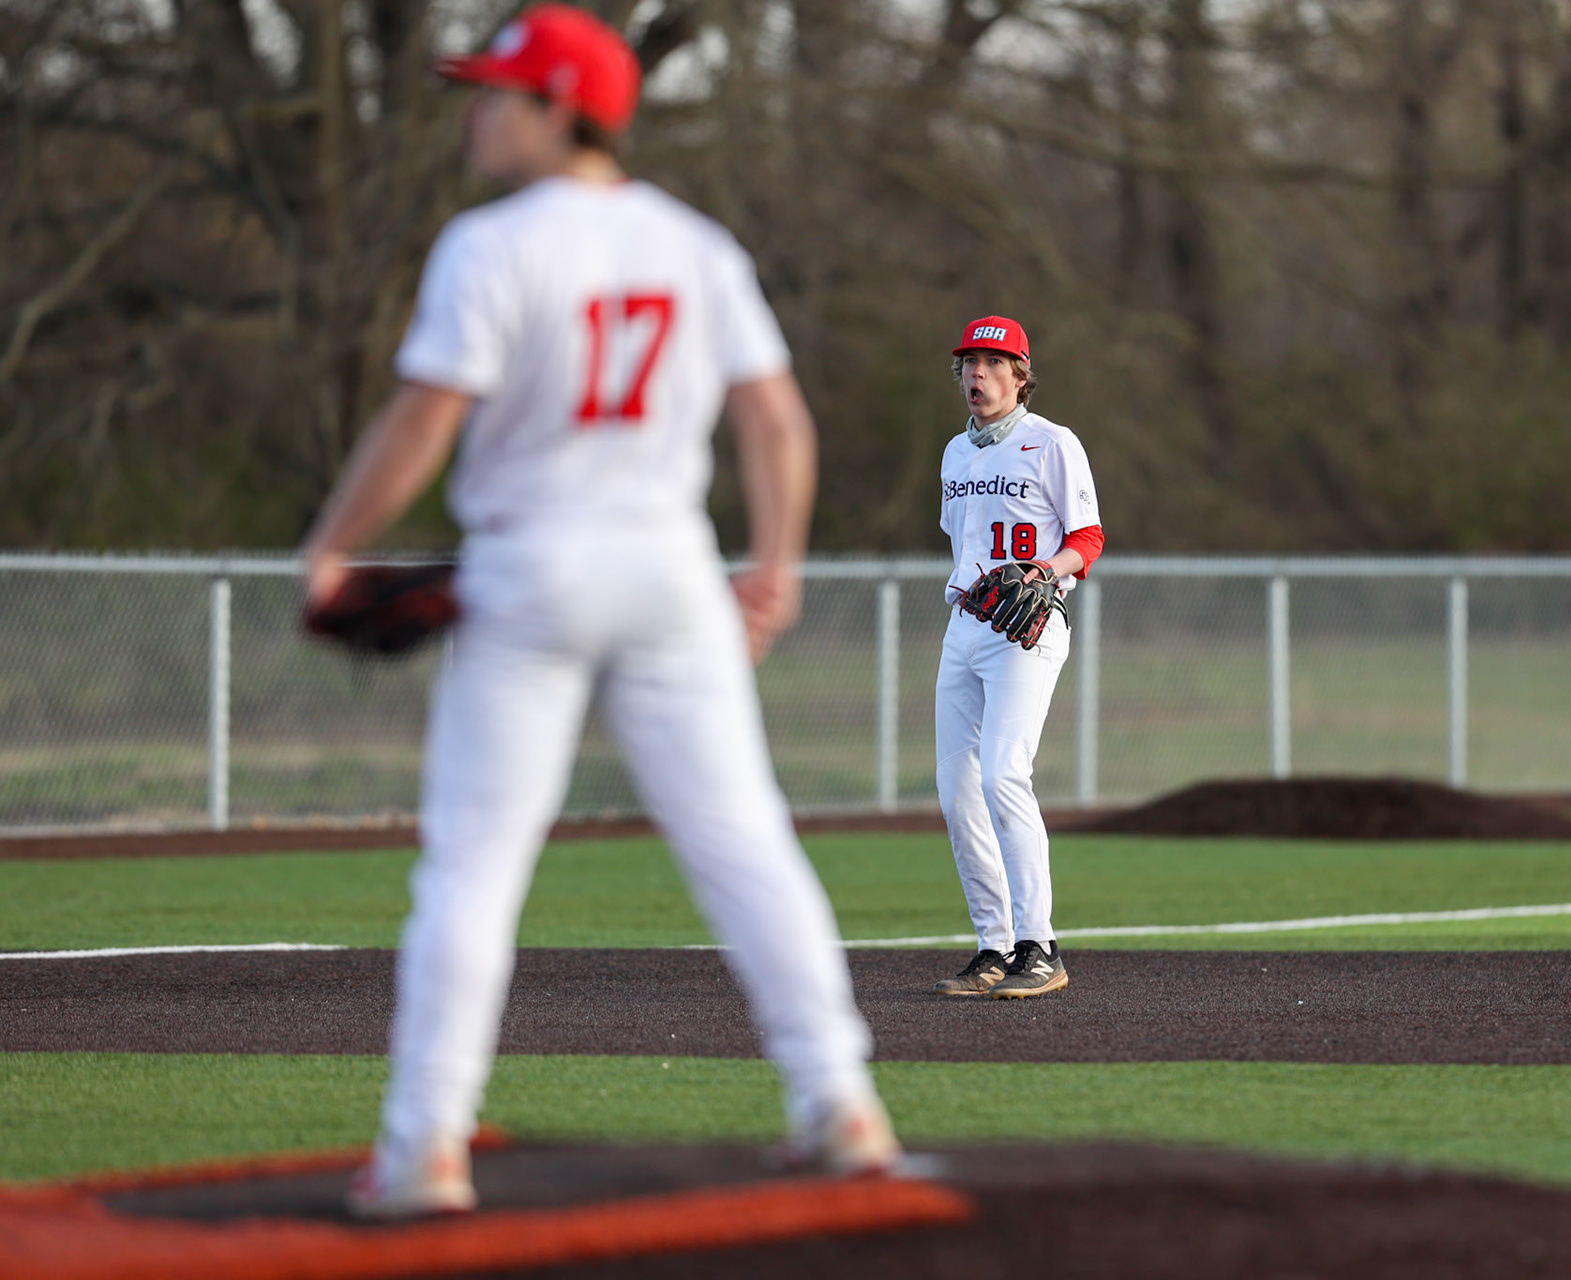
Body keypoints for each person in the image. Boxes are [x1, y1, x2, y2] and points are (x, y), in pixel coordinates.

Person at [299, 3, 897, 1219]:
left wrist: (333, 542)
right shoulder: (694, 243)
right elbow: (777, 420)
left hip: (531, 567)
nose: (480, 109)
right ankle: (838, 1099)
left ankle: (423, 1146)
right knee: (744, 841)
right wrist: (774, 564)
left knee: (473, 864)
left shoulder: (489, 245)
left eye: (501, 92)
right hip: (668, 567)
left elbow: (424, 419)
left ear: (562, 108)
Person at [932, 316, 1104, 998]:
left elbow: (1087, 538)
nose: (977, 374)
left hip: (1027, 629)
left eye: (993, 363)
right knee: (956, 791)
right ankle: (993, 947)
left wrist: (1042, 573)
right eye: (969, 363)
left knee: (1004, 773)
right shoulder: (953, 453)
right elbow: (961, 543)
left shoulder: (1052, 443)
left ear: (1021, 375)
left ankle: (1041, 945)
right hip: (966, 626)